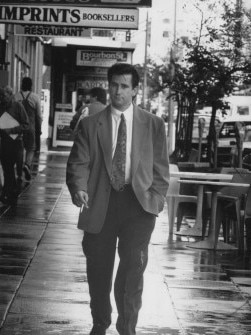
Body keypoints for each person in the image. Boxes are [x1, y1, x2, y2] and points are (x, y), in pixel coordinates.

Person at [66, 63, 169, 335]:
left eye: (124, 86)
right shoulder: (90, 124)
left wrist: (155, 200)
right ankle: (100, 322)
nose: (118, 91)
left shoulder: (153, 124)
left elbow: (161, 168)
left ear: (135, 90)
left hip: (138, 206)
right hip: (101, 202)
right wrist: (78, 188)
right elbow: (78, 163)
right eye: (114, 85)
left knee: (133, 268)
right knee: (98, 269)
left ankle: (127, 327)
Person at [0, 86, 29, 204]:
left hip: (16, 142)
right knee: (7, 168)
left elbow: (26, 125)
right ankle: (7, 193)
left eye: (4, 96)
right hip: (4, 142)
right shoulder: (1, 106)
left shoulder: (18, 106)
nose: (1, 98)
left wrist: (11, 130)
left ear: (11, 95)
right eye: (0, 96)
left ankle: (11, 192)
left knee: (15, 169)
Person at [15, 77, 42, 181]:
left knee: (19, 149)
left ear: (21, 84)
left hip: (18, 128)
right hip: (31, 127)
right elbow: (39, 116)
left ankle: (19, 174)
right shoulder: (35, 97)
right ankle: (27, 165)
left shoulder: (16, 96)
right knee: (31, 148)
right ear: (31, 85)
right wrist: (38, 128)